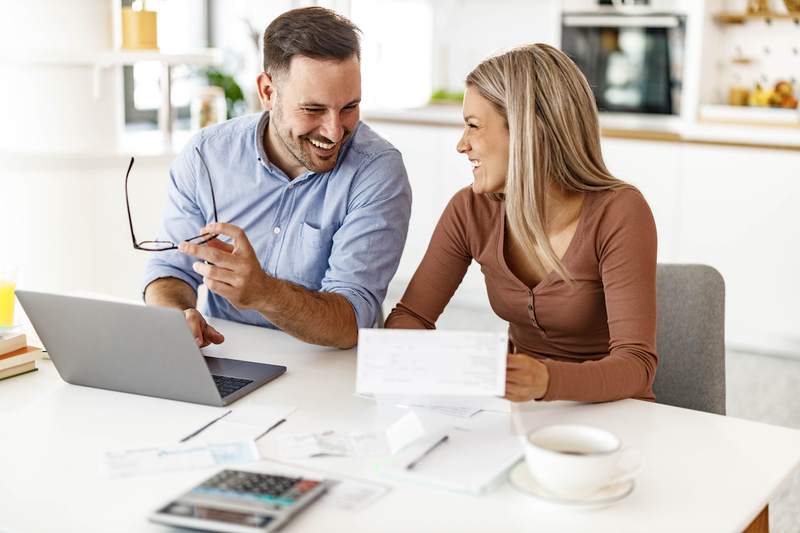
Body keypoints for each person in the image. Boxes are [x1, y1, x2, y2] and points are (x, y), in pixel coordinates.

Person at [385, 43, 657, 403]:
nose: (461, 145)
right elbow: (411, 317)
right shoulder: (470, 210)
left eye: (473, 126)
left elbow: (636, 366)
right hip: (521, 412)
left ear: (528, 130)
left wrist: (546, 381)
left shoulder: (619, 211)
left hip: (614, 415)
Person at [142, 7, 411, 349]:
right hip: (229, 352)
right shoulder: (206, 156)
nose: (334, 131)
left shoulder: (376, 171)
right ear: (268, 92)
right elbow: (170, 268)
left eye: (349, 107)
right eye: (313, 109)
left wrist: (264, 292)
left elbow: (353, 321)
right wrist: (176, 315)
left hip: (328, 371)